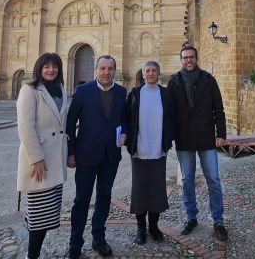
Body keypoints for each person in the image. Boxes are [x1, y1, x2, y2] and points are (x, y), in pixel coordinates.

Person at [64, 55, 127, 259]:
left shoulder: (121, 92)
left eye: (110, 68)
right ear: (95, 70)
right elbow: (70, 124)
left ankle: (98, 238)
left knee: (104, 197)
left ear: (114, 70)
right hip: (86, 154)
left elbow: (125, 119)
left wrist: (125, 132)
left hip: (110, 155)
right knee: (81, 200)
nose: (106, 72)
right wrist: (71, 152)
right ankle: (75, 244)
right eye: (102, 68)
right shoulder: (82, 91)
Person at [168, 44, 228, 241]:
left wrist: (221, 133)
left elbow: (218, 109)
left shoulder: (209, 80)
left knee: (213, 180)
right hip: (184, 138)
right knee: (186, 180)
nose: (189, 60)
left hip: (206, 137)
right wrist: (168, 137)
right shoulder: (174, 81)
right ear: (181, 60)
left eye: (191, 57)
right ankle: (191, 217)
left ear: (196, 58)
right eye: (185, 57)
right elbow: (169, 113)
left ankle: (218, 220)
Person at [16, 53, 70, 259]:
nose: (51, 70)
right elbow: (25, 127)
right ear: (39, 68)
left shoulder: (61, 91)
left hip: (55, 160)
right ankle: (33, 256)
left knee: (48, 214)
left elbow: (63, 125)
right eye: (46, 66)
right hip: (40, 161)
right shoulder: (29, 90)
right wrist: (36, 158)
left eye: (55, 66)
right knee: (40, 215)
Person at [123, 60, 175, 245]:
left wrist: (169, 140)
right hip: (139, 149)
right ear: (143, 74)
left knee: (156, 190)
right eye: (147, 71)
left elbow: (171, 118)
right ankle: (140, 227)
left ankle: (154, 226)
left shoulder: (166, 94)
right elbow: (127, 119)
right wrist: (125, 137)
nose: (151, 73)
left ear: (158, 73)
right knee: (139, 189)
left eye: (154, 70)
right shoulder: (135, 94)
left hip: (159, 149)